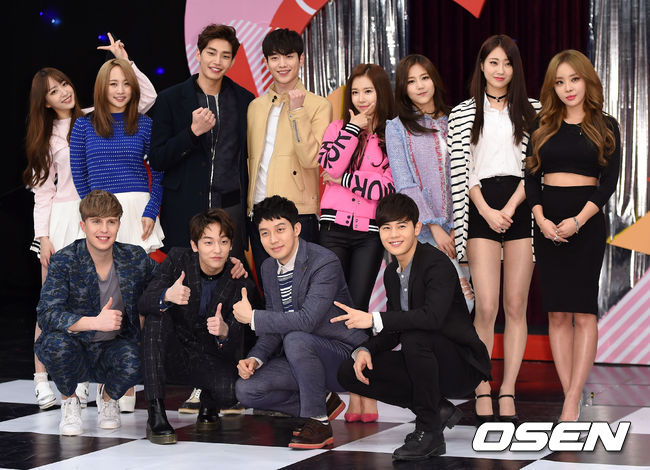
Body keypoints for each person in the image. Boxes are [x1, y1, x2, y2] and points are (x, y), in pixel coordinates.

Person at [23, 33, 156, 410]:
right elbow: (42, 194)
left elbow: (145, 98)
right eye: (53, 91)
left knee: (90, 298)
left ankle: (82, 379)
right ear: (44, 102)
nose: (63, 92)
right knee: (51, 301)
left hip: (94, 215)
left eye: (64, 84)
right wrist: (42, 236)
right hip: (61, 220)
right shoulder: (44, 139)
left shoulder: (92, 117)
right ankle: (41, 379)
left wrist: (125, 61)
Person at [333, 193, 491, 461]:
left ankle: (430, 433)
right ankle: (436, 410)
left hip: (460, 364)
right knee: (350, 370)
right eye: (386, 227)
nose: (394, 234)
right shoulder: (391, 273)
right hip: (423, 357)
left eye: (401, 226)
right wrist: (366, 349)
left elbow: (432, 318)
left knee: (416, 336)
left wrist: (373, 319)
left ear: (417, 228)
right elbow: (395, 329)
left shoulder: (436, 263)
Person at [448, 34, 540, 424]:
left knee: (515, 306)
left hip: (521, 206)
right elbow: (460, 169)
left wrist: (512, 206)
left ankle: (509, 389)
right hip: (480, 207)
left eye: (507, 63)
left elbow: (535, 167)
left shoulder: (534, 111)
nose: (500, 70)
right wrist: (486, 209)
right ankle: (482, 384)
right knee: (486, 307)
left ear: (515, 68)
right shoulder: (462, 113)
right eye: (493, 62)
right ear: (482, 66)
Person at [525, 50, 620, 422]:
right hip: (547, 225)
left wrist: (578, 221)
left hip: (587, 224)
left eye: (574, 79)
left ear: (587, 80)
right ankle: (570, 395)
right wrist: (540, 219)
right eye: (560, 82)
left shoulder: (605, 125)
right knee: (557, 313)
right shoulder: (542, 124)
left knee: (583, 312)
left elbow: (608, 184)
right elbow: (530, 179)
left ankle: (573, 397)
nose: (568, 88)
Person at [233, 195, 367, 449]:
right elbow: (274, 328)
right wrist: (255, 358)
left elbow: (307, 320)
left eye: (280, 229)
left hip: (342, 357)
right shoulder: (268, 268)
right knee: (246, 390)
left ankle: (317, 422)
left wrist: (253, 318)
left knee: (296, 338)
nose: (273, 240)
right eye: (264, 233)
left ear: (296, 228)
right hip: (302, 359)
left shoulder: (324, 261)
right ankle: (322, 401)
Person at [34, 190, 157, 436]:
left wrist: (229, 266)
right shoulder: (65, 260)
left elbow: (168, 275)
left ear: (119, 225)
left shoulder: (134, 257)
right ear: (83, 225)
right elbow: (46, 313)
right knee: (53, 344)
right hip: (76, 348)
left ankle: (108, 397)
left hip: (112, 349)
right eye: (96, 221)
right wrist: (93, 322)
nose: (104, 229)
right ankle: (70, 400)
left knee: (139, 357)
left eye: (111, 221)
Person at [137, 208, 259, 444]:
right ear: (195, 245)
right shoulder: (177, 260)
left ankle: (209, 402)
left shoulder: (239, 280)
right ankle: (156, 413)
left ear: (231, 245)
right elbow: (144, 302)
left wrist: (224, 331)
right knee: (156, 316)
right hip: (173, 350)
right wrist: (166, 295)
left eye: (223, 242)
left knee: (230, 392)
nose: (217, 250)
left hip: (208, 355)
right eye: (208, 242)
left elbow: (239, 339)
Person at [317, 63, 395, 423]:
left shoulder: (392, 135)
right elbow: (328, 164)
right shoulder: (337, 128)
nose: (362, 99)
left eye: (369, 91)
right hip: (332, 228)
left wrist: (345, 179)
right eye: (357, 92)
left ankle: (366, 392)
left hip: (368, 233)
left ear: (381, 93)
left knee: (359, 309)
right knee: (332, 309)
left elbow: (386, 189)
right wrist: (352, 129)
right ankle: (344, 387)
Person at [148, 24, 254, 261]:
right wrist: (192, 132)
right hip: (184, 207)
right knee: (186, 276)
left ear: (232, 61)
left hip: (230, 209)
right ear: (198, 54)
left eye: (225, 56)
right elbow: (157, 158)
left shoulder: (245, 100)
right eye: (211, 53)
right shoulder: (169, 99)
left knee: (230, 275)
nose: (217, 61)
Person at [386, 54, 474, 312]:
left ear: (434, 80)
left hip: (463, 228)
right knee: (445, 303)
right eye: (411, 81)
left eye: (424, 78)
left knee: (467, 304)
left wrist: (458, 225)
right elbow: (404, 183)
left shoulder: (456, 119)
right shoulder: (397, 127)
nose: (420, 86)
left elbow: (468, 174)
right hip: (424, 232)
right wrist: (434, 226)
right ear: (404, 88)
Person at [247, 28, 332, 286]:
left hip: (298, 213)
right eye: (275, 58)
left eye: (289, 56)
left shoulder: (319, 106)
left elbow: (311, 159)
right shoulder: (255, 106)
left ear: (301, 59)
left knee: (300, 291)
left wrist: (297, 112)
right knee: (269, 291)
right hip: (259, 214)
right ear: (266, 62)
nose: (282, 64)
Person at [70, 57, 163, 254]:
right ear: (101, 87)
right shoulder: (83, 125)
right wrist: (94, 213)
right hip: (99, 211)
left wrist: (151, 210)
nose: (121, 90)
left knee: (136, 272)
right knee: (101, 271)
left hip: (137, 209)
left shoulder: (145, 124)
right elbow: (79, 174)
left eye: (126, 84)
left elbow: (159, 173)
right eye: (113, 84)